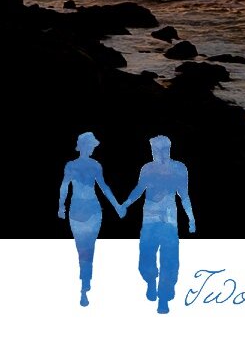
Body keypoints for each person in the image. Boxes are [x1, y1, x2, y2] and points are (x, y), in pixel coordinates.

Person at [120, 135, 195, 314]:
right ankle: (151, 281)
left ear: (166, 149)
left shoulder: (179, 169)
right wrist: (126, 204)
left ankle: (163, 298)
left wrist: (191, 218)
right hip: (149, 220)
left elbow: (184, 195)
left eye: (156, 150)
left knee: (169, 260)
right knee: (146, 257)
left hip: (169, 222)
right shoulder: (147, 169)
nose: (154, 153)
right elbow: (139, 189)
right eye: (152, 150)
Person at [58, 132, 124, 307]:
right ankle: (84, 279)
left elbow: (104, 187)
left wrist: (117, 206)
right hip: (78, 211)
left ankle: (85, 282)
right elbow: (64, 186)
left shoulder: (95, 165)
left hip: (92, 211)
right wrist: (60, 206)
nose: (93, 148)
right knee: (82, 247)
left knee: (88, 247)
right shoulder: (71, 166)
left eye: (93, 146)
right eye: (91, 145)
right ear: (84, 146)